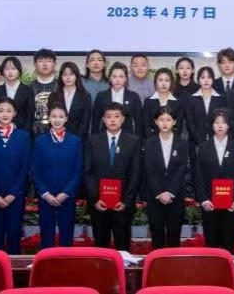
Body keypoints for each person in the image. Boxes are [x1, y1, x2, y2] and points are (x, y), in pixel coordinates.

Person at [83, 102, 142, 251]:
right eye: (109, 117)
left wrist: (126, 200)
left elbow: (135, 173)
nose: (113, 120)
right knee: (100, 246)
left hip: (122, 204)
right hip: (99, 204)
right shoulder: (93, 140)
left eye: (117, 116)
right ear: (103, 120)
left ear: (123, 119)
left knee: (123, 247)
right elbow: (88, 171)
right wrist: (95, 198)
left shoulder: (133, 141)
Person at [0, 97, 32, 254]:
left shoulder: (24, 137)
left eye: (9, 111)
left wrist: (14, 193)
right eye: (1, 110)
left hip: (15, 196)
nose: (5, 114)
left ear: (14, 113)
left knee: (14, 236)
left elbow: (25, 167)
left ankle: (13, 268)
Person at [195, 108, 234, 254]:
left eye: (223, 122)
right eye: (216, 122)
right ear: (212, 125)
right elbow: (198, 175)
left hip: (231, 204)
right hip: (210, 204)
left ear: (229, 125)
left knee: (229, 242)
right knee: (211, 244)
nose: (220, 126)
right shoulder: (203, 147)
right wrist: (204, 199)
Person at [31, 103, 82, 248]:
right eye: (53, 116)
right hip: (46, 196)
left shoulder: (75, 141)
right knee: (47, 235)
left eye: (61, 116)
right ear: (48, 118)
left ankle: (66, 260)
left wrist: (66, 192)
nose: (57, 120)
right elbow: (35, 170)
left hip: (67, 195)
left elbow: (78, 170)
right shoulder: (40, 141)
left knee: (67, 234)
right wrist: (45, 193)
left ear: (66, 118)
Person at [143, 106, 189, 249]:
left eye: (168, 120)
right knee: (157, 234)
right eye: (161, 119)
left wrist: (170, 192)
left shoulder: (182, 143)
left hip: (175, 197)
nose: (164, 123)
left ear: (174, 122)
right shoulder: (149, 143)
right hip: (154, 197)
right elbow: (148, 170)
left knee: (174, 234)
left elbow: (182, 169)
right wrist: (159, 192)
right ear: (156, 122)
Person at [185, 66, 227, 187]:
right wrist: (201, 142)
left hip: (217, 141)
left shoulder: (221, 98)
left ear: (213, 79)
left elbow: (223, 121)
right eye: (203, 77)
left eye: (209, 77)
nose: (206, 80)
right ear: (198, 80)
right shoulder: (191, 98)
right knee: (197, 172)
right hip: (196, 143)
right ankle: (199, 195)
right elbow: (190, 123)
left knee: (215, 170)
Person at [91, 62, 144, 137]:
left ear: (126, 78)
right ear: (110, 78)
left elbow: (139, 122)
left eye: (121, 76)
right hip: (105, 137)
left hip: (128, 137)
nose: (117, 80)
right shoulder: (101, 96)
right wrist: (94, 140)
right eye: (114, 76)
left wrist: (138, 140)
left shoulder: (133, 96)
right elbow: (95, 122)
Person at [0, 57, 35, 133]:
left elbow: (30, 116)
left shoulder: (28, 90)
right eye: (7, 69)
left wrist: (24, 135)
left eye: (13, 68)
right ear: (3, 72)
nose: (10, 72)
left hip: (21, 132)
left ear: (19, 71)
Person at [48, 61, 92, 143]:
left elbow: (85, 122)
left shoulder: (85, 96)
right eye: (64, 74)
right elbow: (51, 119)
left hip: (78, 139)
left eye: (71, 74)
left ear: (76, 76)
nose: (68, 77)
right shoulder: (53, 96)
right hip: (56, 139)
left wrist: (76, 140)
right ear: (61, 77)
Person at [142, 68, 182, 139]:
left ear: (171, 82)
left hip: (172, 141)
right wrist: (153, 141)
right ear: (155, 82)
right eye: (160, 80)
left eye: (167, 80)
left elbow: (178, 126)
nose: (163, 84)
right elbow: (146, 126)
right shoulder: (148, 101)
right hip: (152, 140)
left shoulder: (178, 102)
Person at [31, 48, 58, 136]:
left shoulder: (61, 86)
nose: (45, 64)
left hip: (58, 133)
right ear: (35, 64)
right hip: (34, 134)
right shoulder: (28, 88)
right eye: (41, 61)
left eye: (49, 61)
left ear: (54, 64)